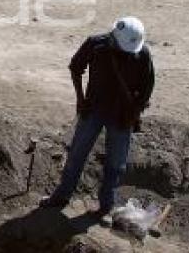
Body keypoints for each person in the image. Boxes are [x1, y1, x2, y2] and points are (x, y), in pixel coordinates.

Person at [40, 17, 154, 217]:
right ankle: (61, 196)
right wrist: (80, 99)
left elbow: (147, 88)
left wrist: (135, 112)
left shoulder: (142, 54)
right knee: (77, 154)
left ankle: (106, 205)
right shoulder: (96, 44)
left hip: (122, 115)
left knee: (116, 163)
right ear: (114, 38)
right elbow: (75, 67)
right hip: (93, 109)